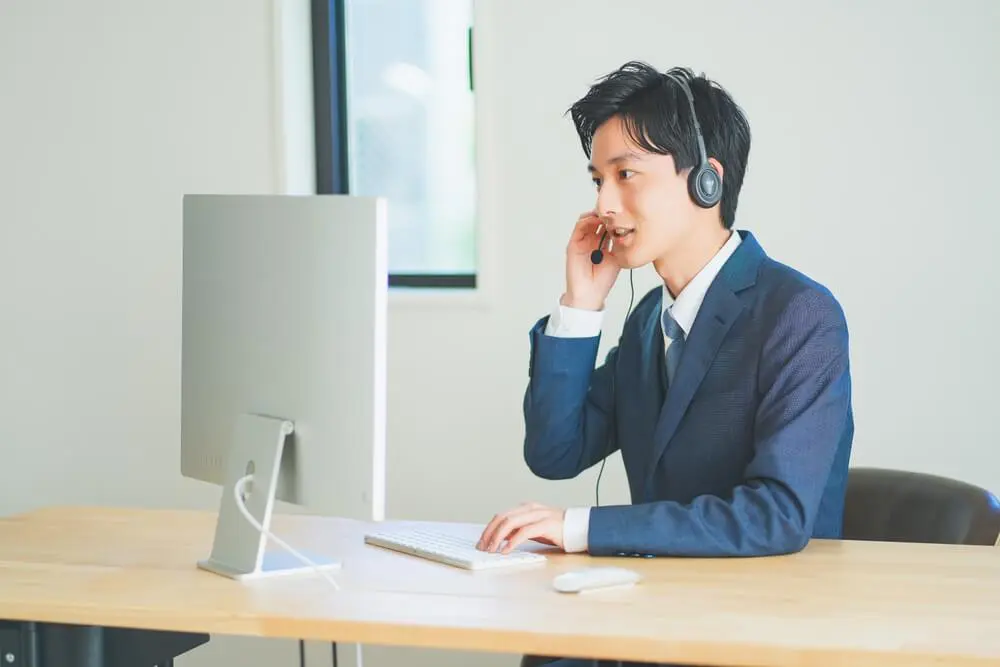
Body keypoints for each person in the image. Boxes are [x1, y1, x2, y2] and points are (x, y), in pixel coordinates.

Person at [476, 61, 854, 666]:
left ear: (706, 181)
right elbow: (554, 452)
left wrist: (581, 529)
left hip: (763, 626)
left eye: (626, 175)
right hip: (659, 611)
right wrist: (581, 306)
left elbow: (777, 516)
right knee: (546, 653)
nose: (604, 203)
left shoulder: (798, 314)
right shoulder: (650, 316)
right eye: (598, 179)